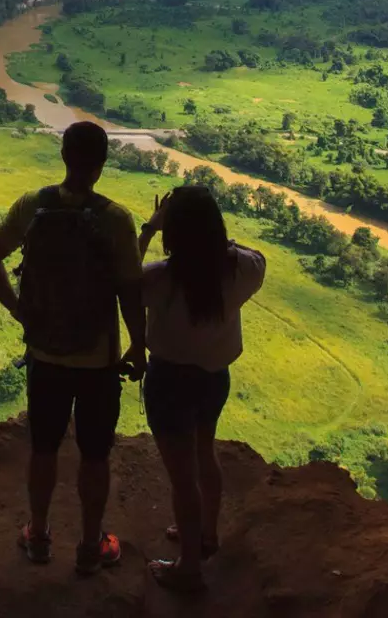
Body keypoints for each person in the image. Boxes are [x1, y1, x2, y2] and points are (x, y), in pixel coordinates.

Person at [0, 119, 146, 576]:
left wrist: (18, 310)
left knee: (44, 449)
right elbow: (130, 291)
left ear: (64, 157)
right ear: (102, 164)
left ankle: (38, 535)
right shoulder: (115, 219)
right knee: (95, 455)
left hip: (46, 355)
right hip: (98, 361)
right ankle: (90, 547)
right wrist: (139, 346)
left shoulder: (33, 206)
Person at [137, 184, 267, 592]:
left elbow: (123, 280)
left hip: (169, 382)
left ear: (172, 232)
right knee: (204, 453)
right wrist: (219, 240)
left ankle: (189, 568)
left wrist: (148, 230)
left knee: (181, 478)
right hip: (214, 379)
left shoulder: (159, 278)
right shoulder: (242, 271)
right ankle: (207, 534)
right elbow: (254, 255)